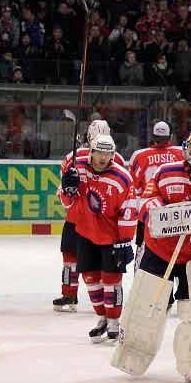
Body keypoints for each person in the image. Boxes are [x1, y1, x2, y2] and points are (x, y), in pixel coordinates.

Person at [112, 130, 191, 383]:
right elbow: (146, 202)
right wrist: (163, 215)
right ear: (188, 150)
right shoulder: (165, 173)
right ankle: (133, 349)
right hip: (161, 252)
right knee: (145, 305)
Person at [59, 134, 136, 343]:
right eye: (99, 153)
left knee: (111, 281)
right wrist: (67, 188)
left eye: (108, 153)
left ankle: (114, 322)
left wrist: (124, 239)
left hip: (112, 238)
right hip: (85, 233)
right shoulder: (78, 168)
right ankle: (102, 318)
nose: (103, 158)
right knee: (91, 280)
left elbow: (129, 210)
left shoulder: (122, 177)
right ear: (91, 152)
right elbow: (66, 203)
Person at [53, 119, 126, 312]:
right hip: (96, 220)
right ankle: (106, 300)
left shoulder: (73, 156)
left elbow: (63, 191)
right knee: (93, 261)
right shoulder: (115, 157)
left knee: (72, 258)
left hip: (81, 218)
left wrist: (66, 190)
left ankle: (70, 294)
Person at [128, 121, 183, 265]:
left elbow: (131, 188)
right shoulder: (181, 153)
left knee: (143, 252)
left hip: (147, 214)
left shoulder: (139, 156)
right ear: (170, 137)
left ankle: (140, 281)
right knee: (177, 254)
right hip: (175, 214)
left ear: (152, 136)